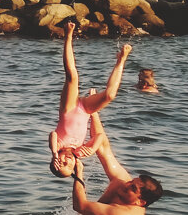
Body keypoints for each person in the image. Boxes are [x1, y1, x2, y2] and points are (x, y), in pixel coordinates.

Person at [49, 20, 132, 177]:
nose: (67, 161)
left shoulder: (58, 146)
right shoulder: (80, 151)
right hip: (85, 109)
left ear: (56, 160)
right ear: (75, 164)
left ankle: (68, 36)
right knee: (110, 95)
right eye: (69, 165)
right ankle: (121, 60)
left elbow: (52, 134)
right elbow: (100, 136)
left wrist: (54, 153)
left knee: (72, 76)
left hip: (69, 108)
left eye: (62, 163)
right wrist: (93, 148)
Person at [69, 111, 162, 215]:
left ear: (140, 202)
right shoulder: (122, 183)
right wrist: (93, 112)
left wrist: (78, 173)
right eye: (132, 181)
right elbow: (104, 148)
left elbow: (80, 206)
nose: (127, 184)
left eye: (133, 188)